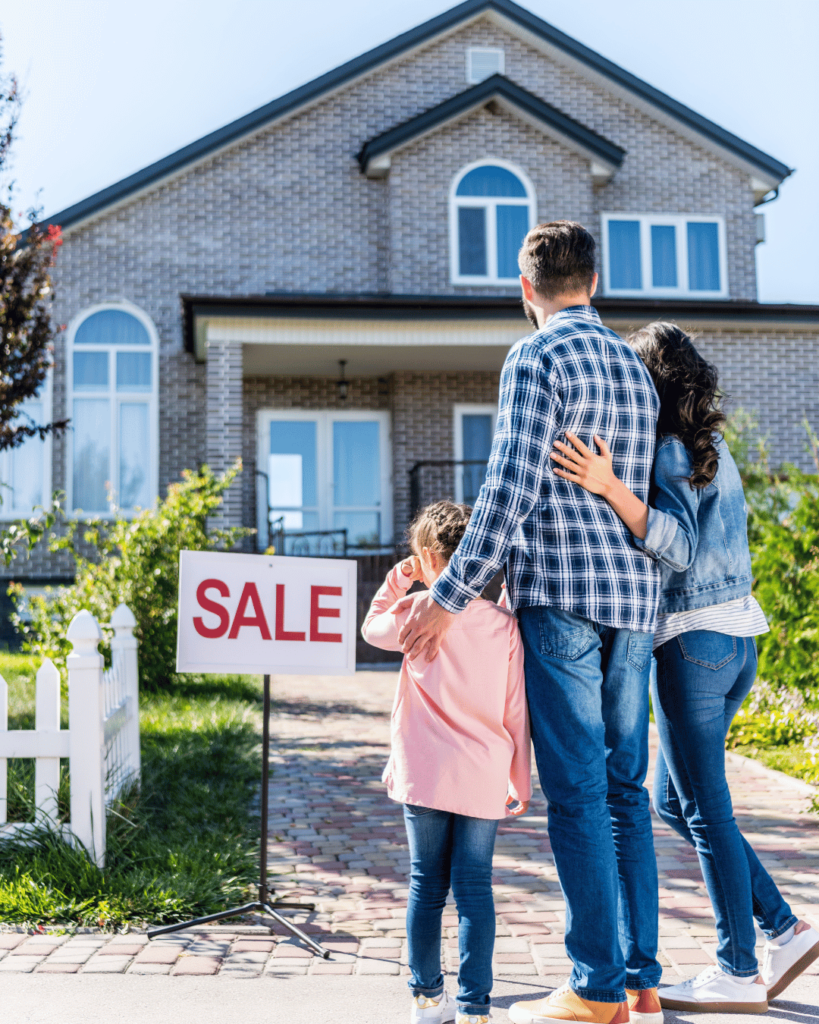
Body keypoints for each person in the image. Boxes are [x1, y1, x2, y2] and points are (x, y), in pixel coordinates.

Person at [396, 222, 664, 1024]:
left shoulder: (535, 356)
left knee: (578, 797)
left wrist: (448, 599)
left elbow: (508, 488)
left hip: (564, 604)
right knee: (625, 794)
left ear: (525, 291)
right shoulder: (635, 370)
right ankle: (638, 982)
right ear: (594, 282)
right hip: (636, 603)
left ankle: (593, 989)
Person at [549, 321, 819, 1015]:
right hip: (735, 641)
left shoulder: (669, 450)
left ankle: (736, 968)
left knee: (702, 808)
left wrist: (609, 486)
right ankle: (784, 929)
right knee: (678, 802)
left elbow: (675, 542)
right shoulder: (712, 447)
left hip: (693, 643)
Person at [362, 499, 532, 1024]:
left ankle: (427, 999)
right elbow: (515, 711)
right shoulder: (503, 626)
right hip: (482, 775)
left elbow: (371, 629)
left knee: (426, 884)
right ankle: (476, 1007)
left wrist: (397, 580)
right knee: (475, 887)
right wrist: (520, 779)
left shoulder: (415, 611)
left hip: (426, 774)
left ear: (430, 559)